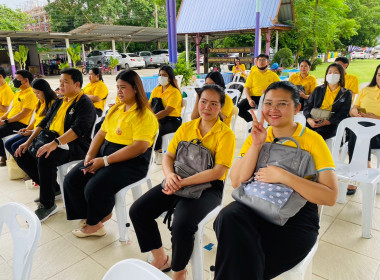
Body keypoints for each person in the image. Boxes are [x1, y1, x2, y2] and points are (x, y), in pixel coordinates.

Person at [213, 81, 338, 280]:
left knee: (238, 261)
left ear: (297, 107)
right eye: (268, 103)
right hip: (256, 205)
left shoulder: (313, 141)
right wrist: (256, 145)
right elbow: (237, 182)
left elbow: (330, 196)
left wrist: (284, 177)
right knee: (227, 216)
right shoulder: (258, 135)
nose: (273, 110)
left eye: (282, 104)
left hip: (295, 218)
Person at [130, 84, 235, 280]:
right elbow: (169, 156)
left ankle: (179, 271)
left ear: (221, 107)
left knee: (182, 224)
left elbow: (218, 171)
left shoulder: (226, 134)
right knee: (138, 210)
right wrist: (170, 176)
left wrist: (183, 182)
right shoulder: (187, 127)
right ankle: (160, 258)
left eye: (214, 104)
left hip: (208, 187)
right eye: (203, 102)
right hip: (178, 178)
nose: (207, 107)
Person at [63, 70, 158, 237]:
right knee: (72, 179)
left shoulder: (145, 115)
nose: (119, 91)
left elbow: (139, 147)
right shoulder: (116, 109)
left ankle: (95, 225)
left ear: (136, 89)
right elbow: (101, 133)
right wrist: (90, 155)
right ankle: (91, 215)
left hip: (132, 161)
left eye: (123, 87)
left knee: (94, 187)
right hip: (106, 153)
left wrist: (105, 161)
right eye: (117, 87)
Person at [13, 68, 95, 221]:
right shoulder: (60, 100)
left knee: (46, 155)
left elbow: (77, 130)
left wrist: (55, 143)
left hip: (75, 145)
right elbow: (43, 122)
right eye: (60, 82)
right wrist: (28, 142)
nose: (61, 85)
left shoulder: (84, 103)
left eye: (65, 82)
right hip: (52, 139)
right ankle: (52, 189)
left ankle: (48, 204)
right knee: (21, 154)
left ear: (77, 84)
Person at [346, 64, 380, 195]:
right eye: (379, 75)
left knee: (359, 133)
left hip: (378, 134)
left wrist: (375, 118)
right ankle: (366, 166)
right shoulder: (366, 90)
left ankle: (355, 177)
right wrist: (355, 112)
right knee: (358, 130)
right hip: (362, 130)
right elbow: (354, 108)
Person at [5, 79, 57, 157]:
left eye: (38, 93)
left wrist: (32, 131)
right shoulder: (39, 102)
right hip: (33, 131)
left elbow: (47, 124)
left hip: (41, 133)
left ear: (45, 91)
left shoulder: (52, 103)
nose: (36, 95)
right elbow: (36, 118)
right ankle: (21, 163)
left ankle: (28, 165)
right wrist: (28, 128)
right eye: (34, 92)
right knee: (8, 143)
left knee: (15, 146)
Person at [303, 63, 352, 140]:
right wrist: (309, 119)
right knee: (302, 134)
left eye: (336, 73)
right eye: (330, 72)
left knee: (316, 137)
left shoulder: (346, 93)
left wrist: (328, 122)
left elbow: (344, 113)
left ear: (341, 76)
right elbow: (308, 106)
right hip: (314, 119)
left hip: (331, 124)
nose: (332, 75)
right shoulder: (318, 90)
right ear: (326, 75)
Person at [0, 70, 37, 166]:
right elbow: (10, 110)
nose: (14, 80)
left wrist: (5, 121)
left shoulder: (31, 94)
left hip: (20, 124)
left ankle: (3, 156)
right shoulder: (18, 93)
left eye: (17, 79)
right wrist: (3, 118)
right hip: (11, 121)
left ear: (26, 80)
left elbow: (23, 114)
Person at [149, 65, 182, 162]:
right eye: (160, 75)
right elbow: (148, 105)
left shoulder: (174, 92)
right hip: (158, 117)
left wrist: (153, 119)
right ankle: (150, 151)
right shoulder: (156, 90)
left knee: (156, 128)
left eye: (164, 75)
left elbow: (167, 111)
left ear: (170, 78)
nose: (161, 77)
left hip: (173, 120)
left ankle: (159, 152)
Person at [238, 54, 280, 122]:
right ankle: (253, 123)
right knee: (239, 108)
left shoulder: (273, 75)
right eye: (259, 60)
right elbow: (246, 88)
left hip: (267, 98)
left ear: (268, 62)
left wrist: (269, 91)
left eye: (263, 60)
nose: (261, 62)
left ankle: (268, 127)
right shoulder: (253, 74)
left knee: (270, 112)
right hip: (253, 97)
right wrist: (249, 100)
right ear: (257, 62)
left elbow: (280, 88)